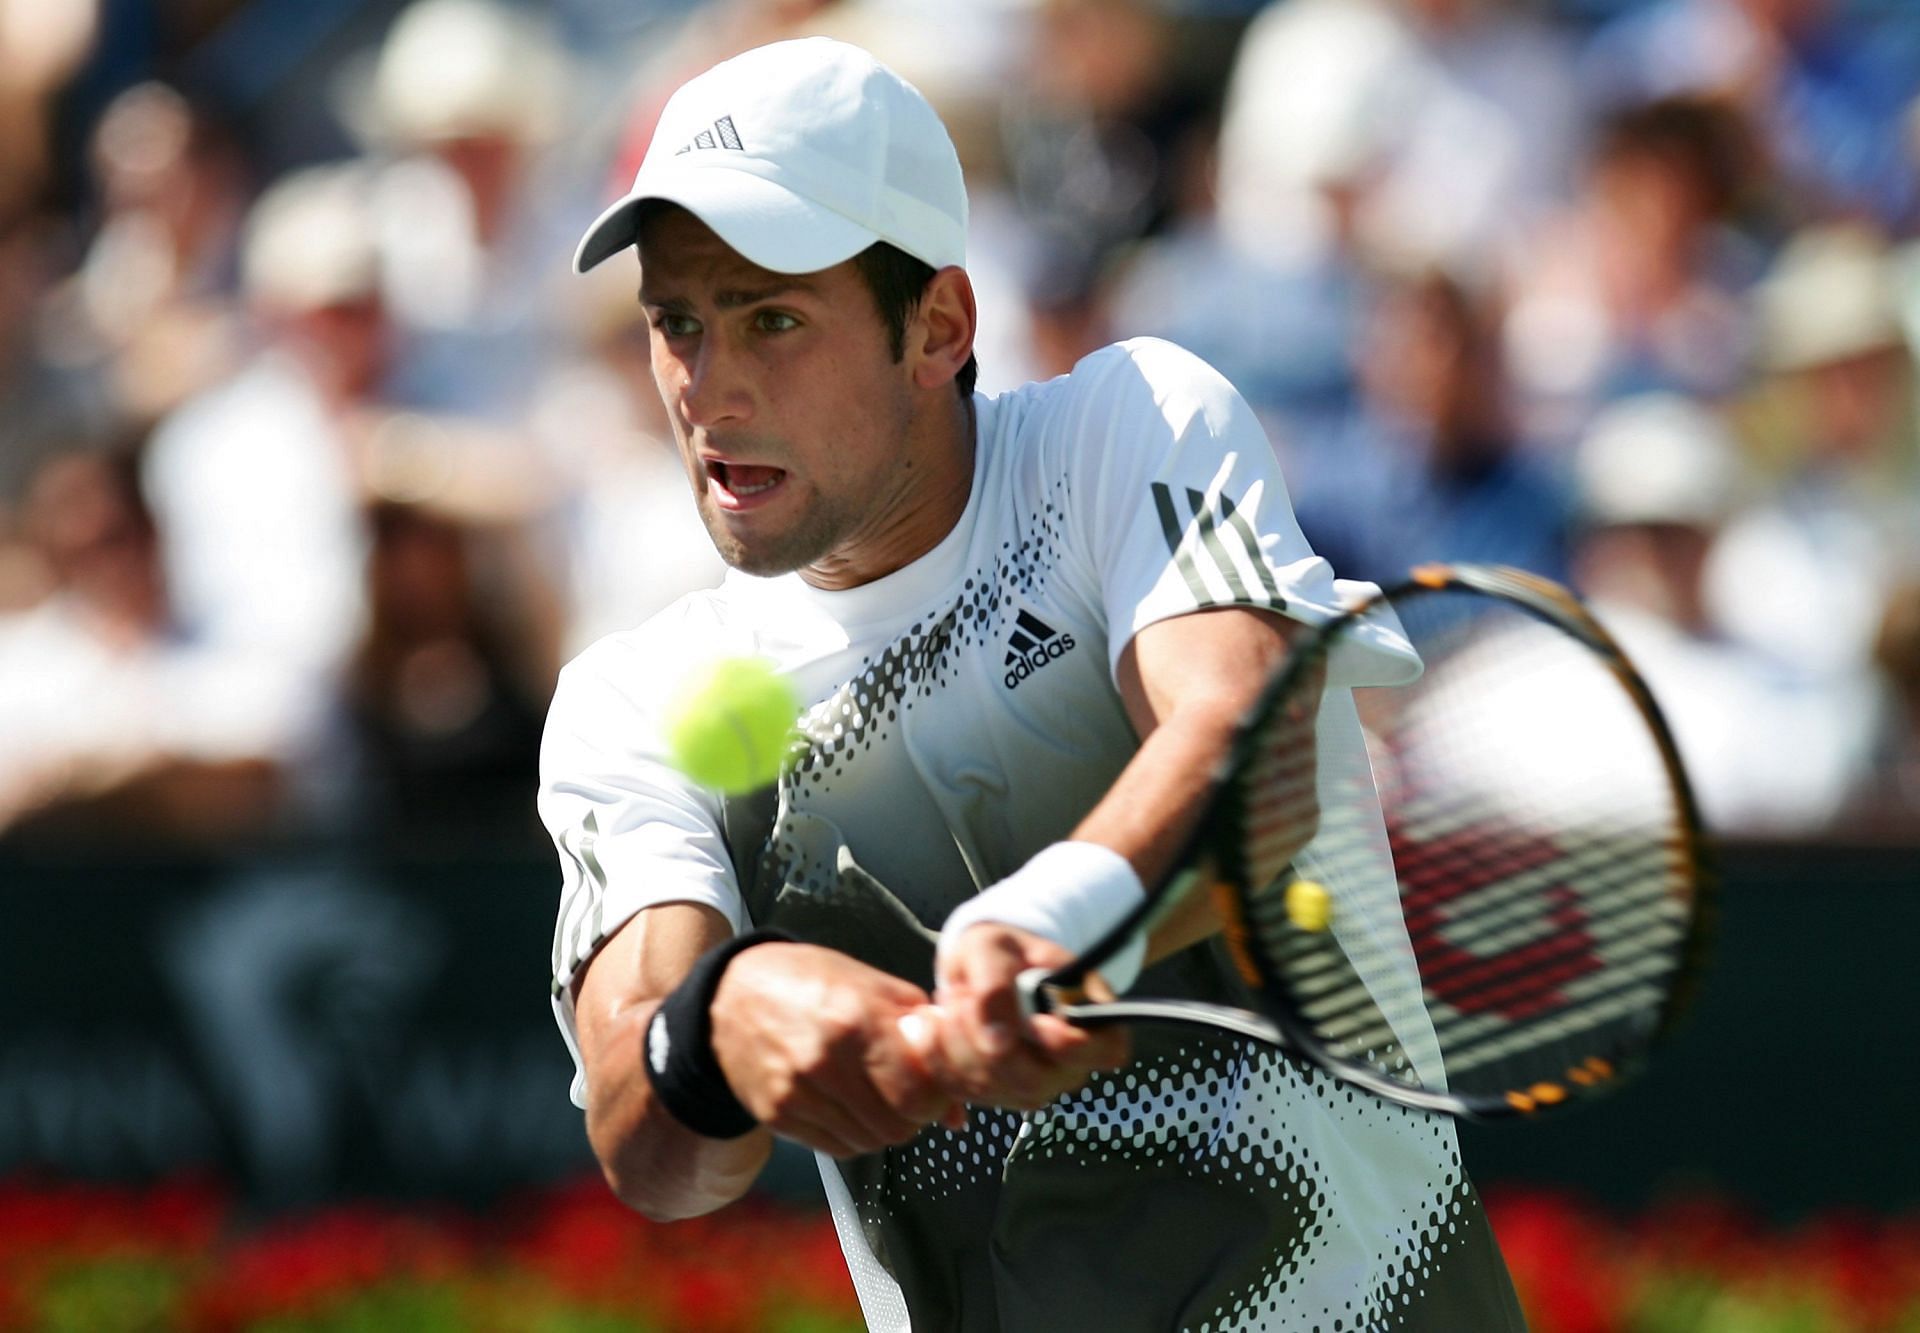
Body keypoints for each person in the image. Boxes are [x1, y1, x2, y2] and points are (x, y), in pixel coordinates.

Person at [539, 37, 1524, 1332]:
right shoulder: (635, 698)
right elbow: (647, 1137)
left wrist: (1050, 923)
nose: (707, 389)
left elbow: (1254, 761)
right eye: (678, 322)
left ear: (937, 325)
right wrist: (716, 1026)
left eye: (772, 318)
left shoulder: (1128, 426)